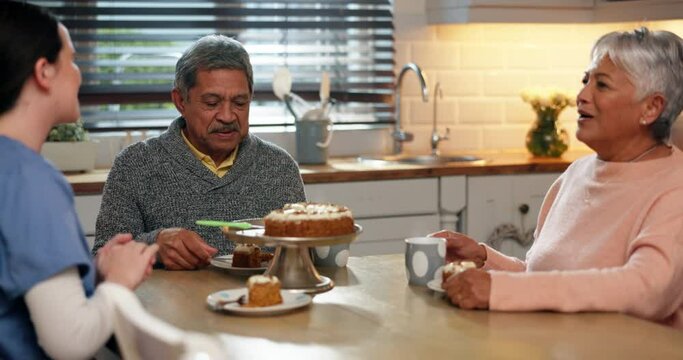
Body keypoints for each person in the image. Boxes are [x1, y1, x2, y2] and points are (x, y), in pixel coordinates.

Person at [434, 27, 683, 329]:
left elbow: (647, 289)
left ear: (651, 107)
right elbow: (543, 281)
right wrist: (484, 259)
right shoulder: (575, 174)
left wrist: (499, 290)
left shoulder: (674, 186)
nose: (581, 96)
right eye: (585, 81)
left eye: (601, 85)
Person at [0, 2, 159, 358]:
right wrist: (120, 282)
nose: (79, 74)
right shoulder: (30, 180)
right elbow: (70, 341)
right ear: (44, 72)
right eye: (70, 61)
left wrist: (93, 279)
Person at [93, 34, 306, 270]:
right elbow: (102, 261)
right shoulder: (134, 165)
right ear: (180, 101)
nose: (227, 116)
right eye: (212, 103)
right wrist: (155, 247)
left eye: (239, 103)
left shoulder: (280, 168)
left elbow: (305, 260)